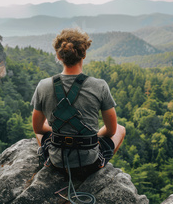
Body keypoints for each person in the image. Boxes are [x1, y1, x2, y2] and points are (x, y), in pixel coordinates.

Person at [31, 28, 125, 178]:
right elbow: (111, 130)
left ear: (58, 55)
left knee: (44, 129)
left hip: (57, 162)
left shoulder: (43, 85)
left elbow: (37, 128)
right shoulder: (99, 86)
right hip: (90, 163)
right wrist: (92, 136)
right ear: (84, 54)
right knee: (121, 128)